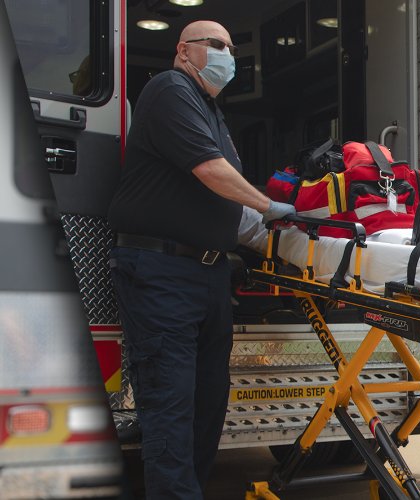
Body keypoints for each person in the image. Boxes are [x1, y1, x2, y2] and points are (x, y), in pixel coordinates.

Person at [107, 20, 293, 499]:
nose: (226, 55)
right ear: (184, 50)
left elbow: (226, 193)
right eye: (216, 45)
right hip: (162, 273)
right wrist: (268, 207)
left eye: (231, 47)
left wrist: (284, 234)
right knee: (171, 407)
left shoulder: (210, 109)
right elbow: (212, 172)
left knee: (208, 406)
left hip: (207, 274)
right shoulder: (170, 90)